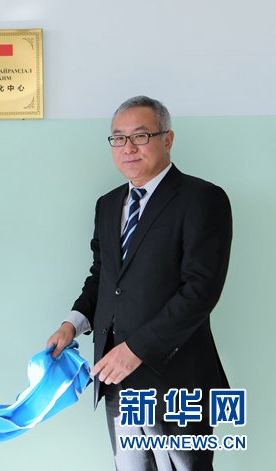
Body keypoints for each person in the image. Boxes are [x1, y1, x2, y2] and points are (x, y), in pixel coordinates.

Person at [46, 96, 232, 470]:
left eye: (140, 136)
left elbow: (200, 290)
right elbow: (103, 277)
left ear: (168, 139)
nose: (128, 147)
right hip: (116, 376)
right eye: (118, 138)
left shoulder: (202, 198)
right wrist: (72, 324)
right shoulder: (108, 204)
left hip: (177, 380)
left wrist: (136, 350)